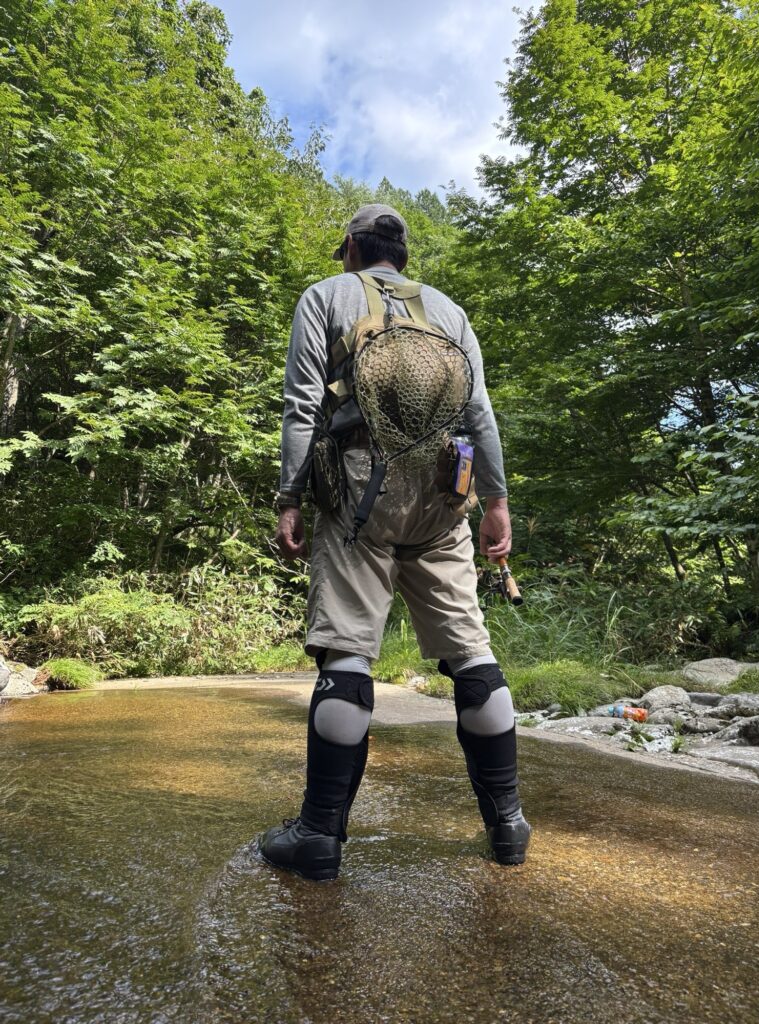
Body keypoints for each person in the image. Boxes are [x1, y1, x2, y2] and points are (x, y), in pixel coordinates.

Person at [260, 203, 530, 881]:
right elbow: (479, 413)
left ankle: (319, 835)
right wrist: (495, 502)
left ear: (351, 247)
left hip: (357, 487)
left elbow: (300, 406)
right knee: (470, 652)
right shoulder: (449, 311)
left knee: (348, 652)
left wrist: (288, 498)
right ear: (402, 253)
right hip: (446, 486)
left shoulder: (325, 296)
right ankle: (507, 827)